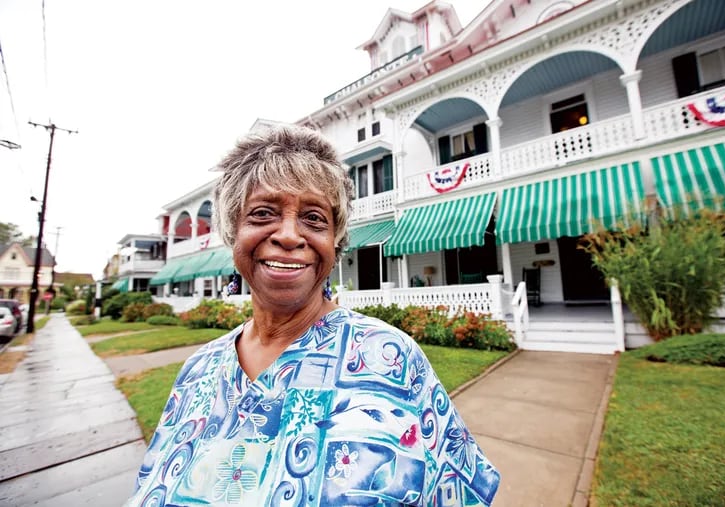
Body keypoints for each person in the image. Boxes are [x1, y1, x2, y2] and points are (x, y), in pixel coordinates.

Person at [125, 124, 500, 506]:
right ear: (232, 233)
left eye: (314, 218)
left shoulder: (390, 360)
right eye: (262, 213)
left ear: (335, 242)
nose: (289, 235)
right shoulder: (197, 371)